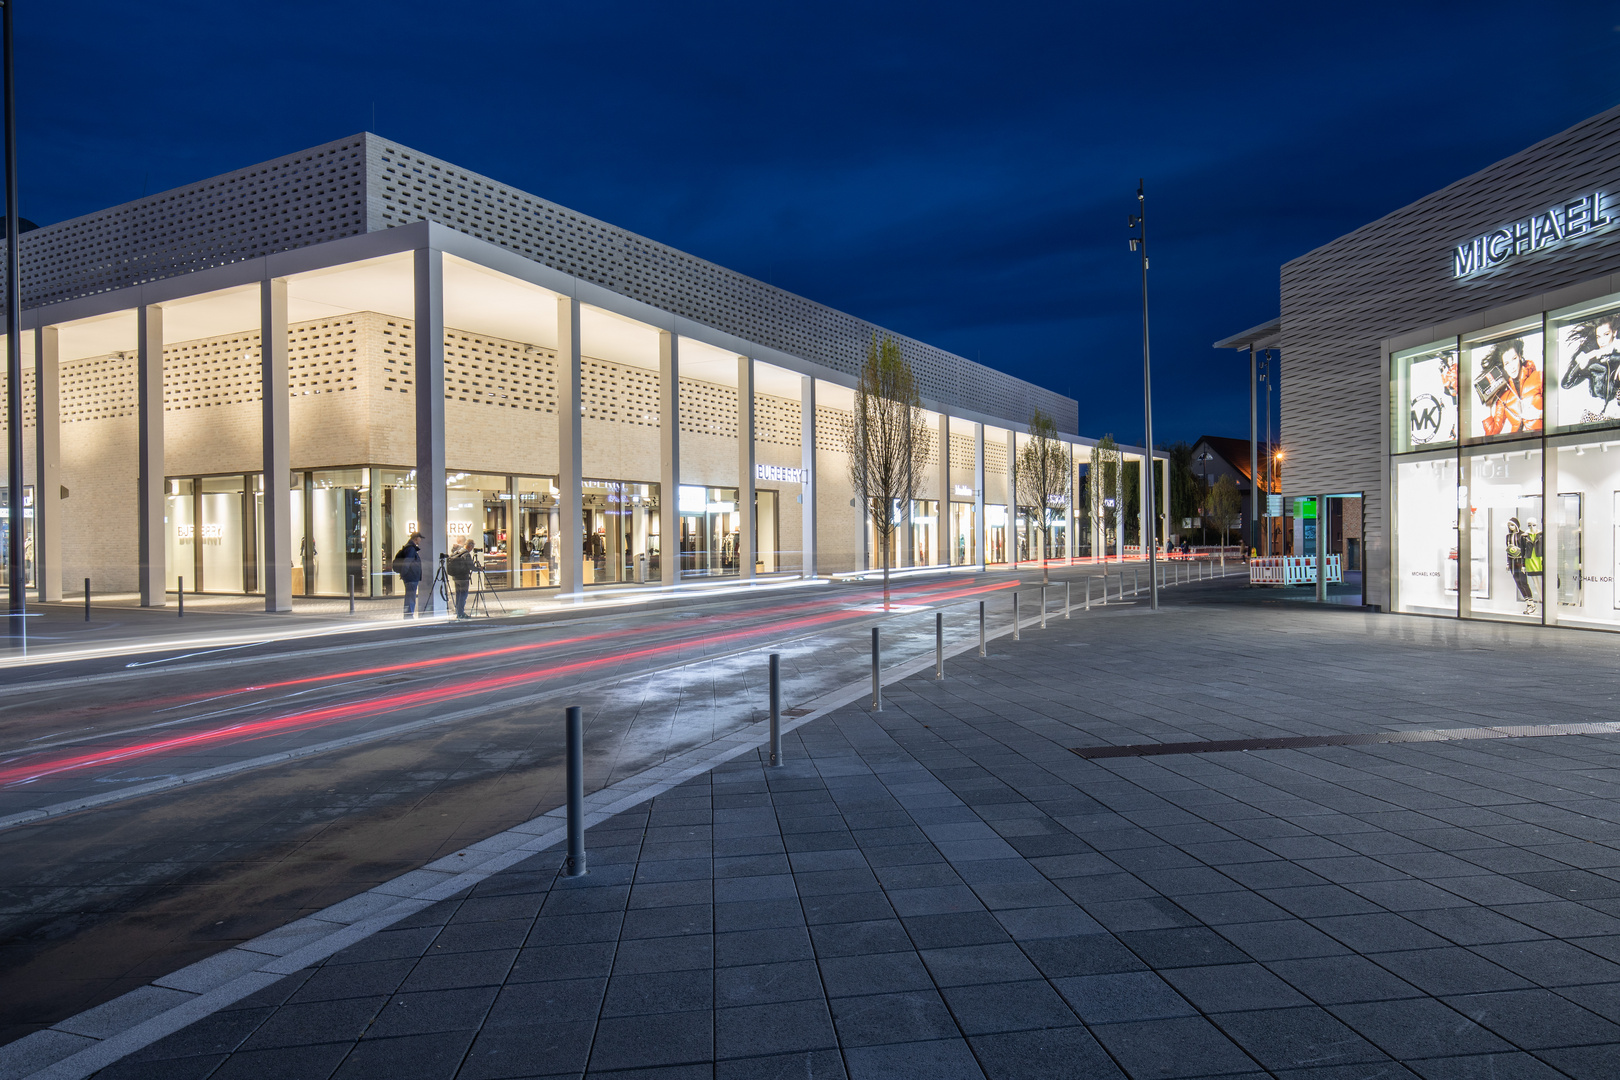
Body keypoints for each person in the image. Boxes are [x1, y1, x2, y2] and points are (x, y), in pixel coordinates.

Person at [1479, 339, 1543, 436]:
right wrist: (1487, 405)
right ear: (1504, 367)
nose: (1512, 367)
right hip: (1516, 447)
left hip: (1540, 442)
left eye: (1514, 359)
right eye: (1507, 363)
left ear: (1520, 357)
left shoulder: (1539, 377)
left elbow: (1556, 410)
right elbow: (1492, 433)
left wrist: (1539, 414)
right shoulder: (1504, 398)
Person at [392, 532, 423, 617]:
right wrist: (404, 573)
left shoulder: (409, 547)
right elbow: (407, 562)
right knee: (410, 597)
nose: (421, 540)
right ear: (416, 538)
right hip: (411, 577)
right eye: (420, 538)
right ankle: (408, 615)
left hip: (410, 576)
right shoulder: (411, 549)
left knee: (410, 596)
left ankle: (408, 614)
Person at [447, 539, 475, 620]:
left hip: (456, 577)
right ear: (470, 546)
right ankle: (461, 613)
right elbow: (471, 566)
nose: (472, 549)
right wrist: (479, 568)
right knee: (463, 595)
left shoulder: (457, 552)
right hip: (463, 577)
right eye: (472, 548)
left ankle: (458, 612)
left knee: (458, 595)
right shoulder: (466, 554)